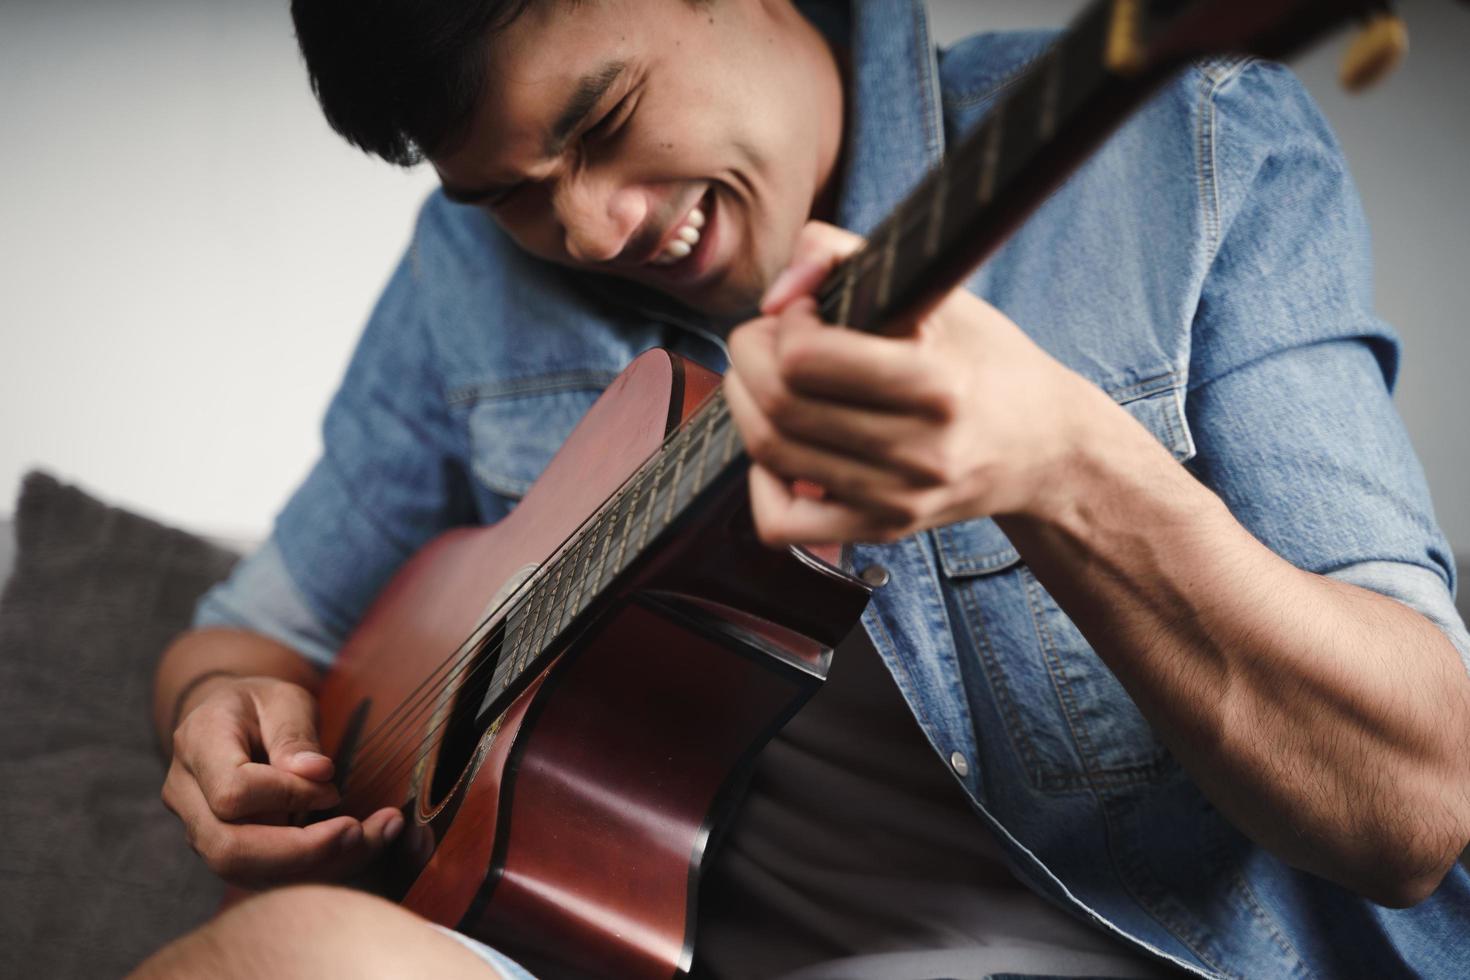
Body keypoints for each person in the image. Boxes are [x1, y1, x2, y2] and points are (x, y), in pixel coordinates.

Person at [136, 0, 1470, 977]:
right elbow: (257, 627)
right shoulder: (461, 276)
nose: (592, 228)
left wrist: (1061, 466)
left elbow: (1412, 808)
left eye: (601, 121)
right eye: (512, 193)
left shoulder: (1185, 151)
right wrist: (217, 711)